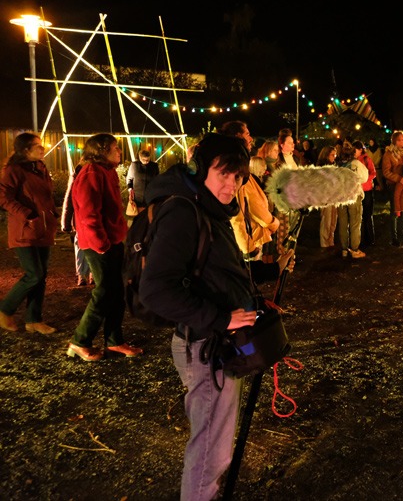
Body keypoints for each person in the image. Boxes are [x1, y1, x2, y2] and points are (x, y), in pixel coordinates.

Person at [138, 133, 258, 501]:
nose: (231, 185)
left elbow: (215, 270)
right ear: (201, 167)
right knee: (210, 449)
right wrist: (221, 318)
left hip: (221, 343)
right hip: (206, 348)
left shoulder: (209, 208)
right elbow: (155, 289)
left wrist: (256, 294)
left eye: (238, 177)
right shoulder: (183, 212)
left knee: (215, 442)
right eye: (224, 173)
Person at [67, 133, 142, 361]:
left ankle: (114, 341)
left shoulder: (105, 171)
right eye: (115, 147)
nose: (119, 151)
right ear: (101, 151)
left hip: (113, 241)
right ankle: (80, 341)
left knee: (116, 292)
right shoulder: (91, 173)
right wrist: (101, 244)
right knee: (105, 291)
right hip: (99, 245)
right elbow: (89, 213)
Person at [0, 132, 58, 334]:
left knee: (41, 277)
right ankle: (4, 310)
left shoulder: (40, 168)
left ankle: (34, 319)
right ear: (25, 150)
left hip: (44, 228)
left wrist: (53, 213)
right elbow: (4, 198)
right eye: (37, 146)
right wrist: (27, 214)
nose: (42, 148)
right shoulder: (13, 171)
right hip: (25, 229)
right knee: (34, 274)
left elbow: (45, 195)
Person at [232, 156, 280, 280]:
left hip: (249, 235)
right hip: (251, 235)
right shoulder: (246, 181)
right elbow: (257, 210)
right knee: (251, 276)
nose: (265, 167)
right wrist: (274, 223)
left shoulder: (250, 179)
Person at [61, 163, 92, 287]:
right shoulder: (78, 174)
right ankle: (81, 274)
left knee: (92, 246)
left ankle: (90, 273)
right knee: (80, 246)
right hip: (80, 219)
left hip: (92, 217)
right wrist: (66, 222)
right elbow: (69, 200)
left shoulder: (97, 173)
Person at [335, 141, 368, 259]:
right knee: (355, 222)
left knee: (343, 223)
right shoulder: (355, 164)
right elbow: (364, 177)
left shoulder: (337, 165)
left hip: (340, 196)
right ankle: (354, 249)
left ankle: (344, 249)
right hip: (353, 195)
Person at [381, 130, 403, 246]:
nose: (402, 141)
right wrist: (399, 179)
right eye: (399, 140)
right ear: (394, 141)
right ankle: (394, 237)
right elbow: (386, 172)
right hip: (394, 185)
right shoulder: (388, 154)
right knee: (395, 211)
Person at [355, 140, 378, 248]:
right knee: (358, 216)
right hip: (356, 191)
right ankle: (360, 239)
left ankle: (370, 238)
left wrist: (365, 180)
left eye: (355, 150)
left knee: (367, 215)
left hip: (366, 190)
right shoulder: (352, 160)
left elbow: (373, 172)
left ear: (360, 150)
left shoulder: (366, 159)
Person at [316, 145, 339, 248]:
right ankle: (324, 242)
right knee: (327, 219)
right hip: (325, 196)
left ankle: (330, 239)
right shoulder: (321, 167)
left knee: (334, 219)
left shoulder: (334, 165)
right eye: (332, 155)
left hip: (334, 196)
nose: (334, 157)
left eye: (335, 155)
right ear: (326, 155)